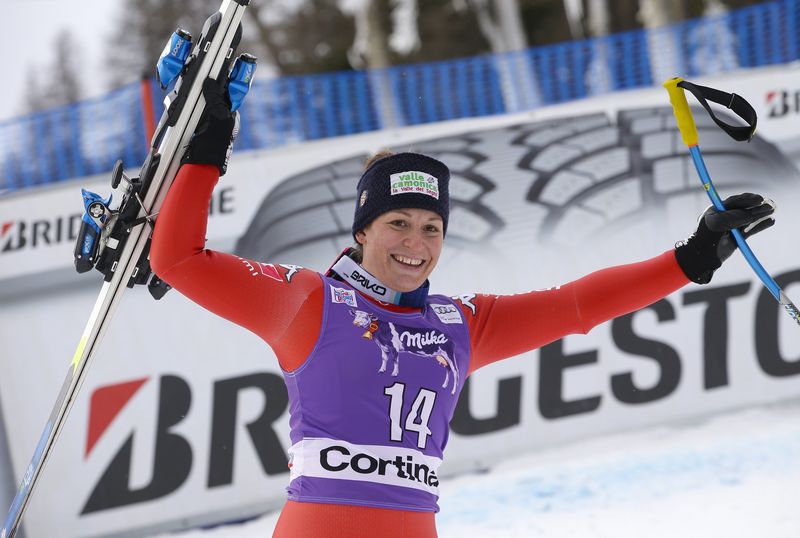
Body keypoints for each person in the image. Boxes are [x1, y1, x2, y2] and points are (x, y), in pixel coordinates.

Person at [150, 80, 776, 538]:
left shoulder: (458, 324)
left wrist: (690, 259)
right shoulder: (308, 300)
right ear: (362, 230)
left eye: (431, 228)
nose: (416, 245)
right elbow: (176, 260)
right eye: (397, 223)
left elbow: (576, 305)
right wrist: (203, 157)